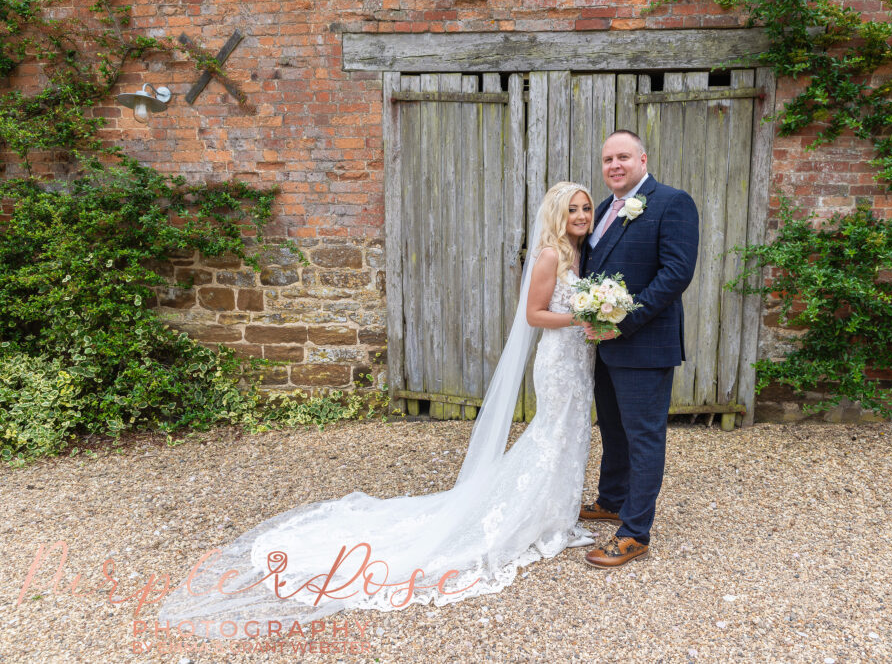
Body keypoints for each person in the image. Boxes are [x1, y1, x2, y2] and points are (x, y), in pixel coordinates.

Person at [157, 182, 600, 638]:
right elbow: (533, 315)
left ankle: (557, 518)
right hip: (558, 363)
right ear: (557, 213)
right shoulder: (550, 255)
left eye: (586, 207)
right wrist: (580, 318)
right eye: (573, 209)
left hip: (578, 361)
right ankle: (543, 523)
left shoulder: (579, 253)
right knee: (552, 437)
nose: (582, 215)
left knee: (570, 437)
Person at [578, 130, 700, 569]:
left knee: (644, 437)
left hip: (645, 343)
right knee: (612, 430)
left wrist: (623, 322)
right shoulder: (605, 209)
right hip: (604, 346)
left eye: (623, 157)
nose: (614, 165)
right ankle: (611, 501)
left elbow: (676, 273)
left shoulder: (672, 202)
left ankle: (634, 533)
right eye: (608, 158)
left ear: (643, 159)